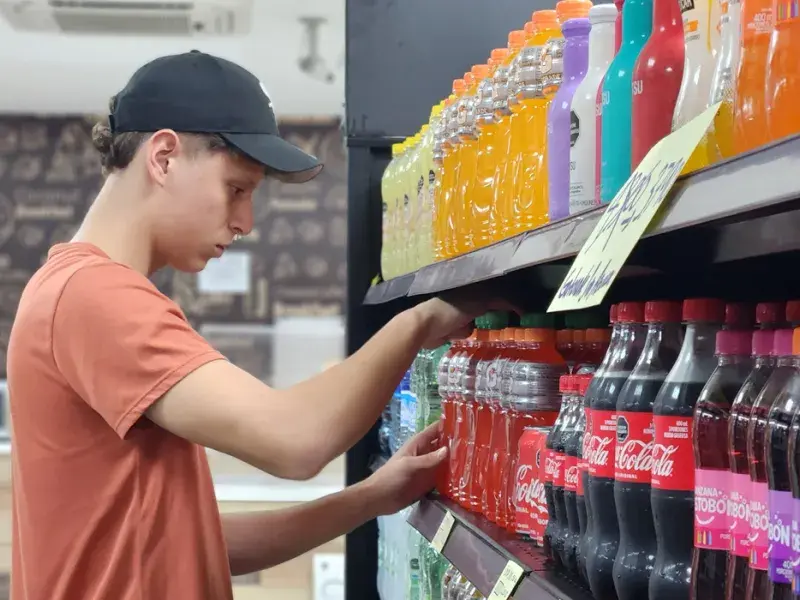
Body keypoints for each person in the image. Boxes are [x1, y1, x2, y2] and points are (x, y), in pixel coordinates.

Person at [6, 51, 487, 599]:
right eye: (236, 189)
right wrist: (421, 320)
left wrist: (372, 497)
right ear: (163, 158)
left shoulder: (71, 288)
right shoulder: (96, 294)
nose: (246, 222)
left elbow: (196, 543)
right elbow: (295, 441)